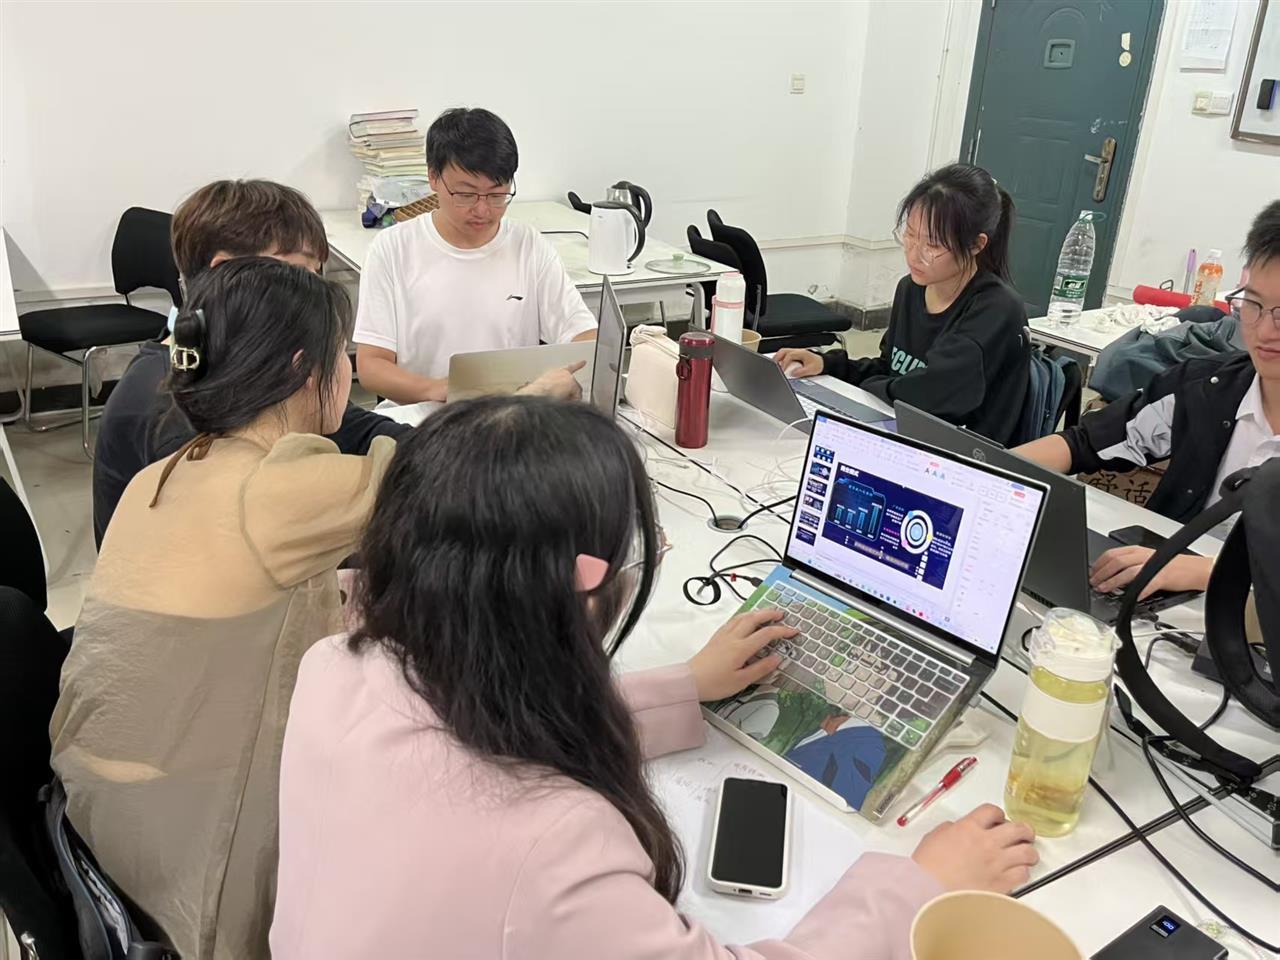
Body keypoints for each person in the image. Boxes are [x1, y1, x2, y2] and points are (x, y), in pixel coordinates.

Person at [271, 395, 1040, 958]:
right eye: (634, 553)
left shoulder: (333, 669)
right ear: (575, 593)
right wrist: (918, 888)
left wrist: (685, 686)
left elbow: (494, 721)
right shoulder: (555, 849)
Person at [52, 258, 392, 959]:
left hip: (97, 817)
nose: (352, 370)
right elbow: (447, 479)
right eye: (343, 355)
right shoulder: (280, 488)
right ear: (304, 371)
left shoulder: (168, 470)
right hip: (190, 869)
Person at [91, 179, 407, 548]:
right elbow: (259, 538)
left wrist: (444, 450)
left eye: (316, 274)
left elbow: (358, 430)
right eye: (299, 273)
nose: (314, 291)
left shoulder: (251, 359)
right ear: (227, 273)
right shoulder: (171, 408)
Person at [1016, 199, 1280, 598]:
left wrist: (1204, 571)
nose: (1264, 330)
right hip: (1160, 597)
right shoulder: (1210, 388)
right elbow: (1087, 442)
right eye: (1253, 304)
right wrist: (984, 470)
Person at [353, 107, 598, 404]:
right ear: (433, 177)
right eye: (466, 195)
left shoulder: (528, 246)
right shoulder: (393, 249)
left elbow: (585, 337)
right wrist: (439, 391)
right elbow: (372, 365)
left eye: (497, 195)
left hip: (511, 414)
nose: (482, 210)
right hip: (423, 417)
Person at [776, 164, 1029, 445]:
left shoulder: (996, 309)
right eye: (910, 234)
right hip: (903, 429)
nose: (914, 254)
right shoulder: (911, 288)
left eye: (933, 245)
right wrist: (828, 364)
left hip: (961, 452)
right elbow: (892, 369)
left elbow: (930, 396)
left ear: (976, 245)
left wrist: (866, 387)